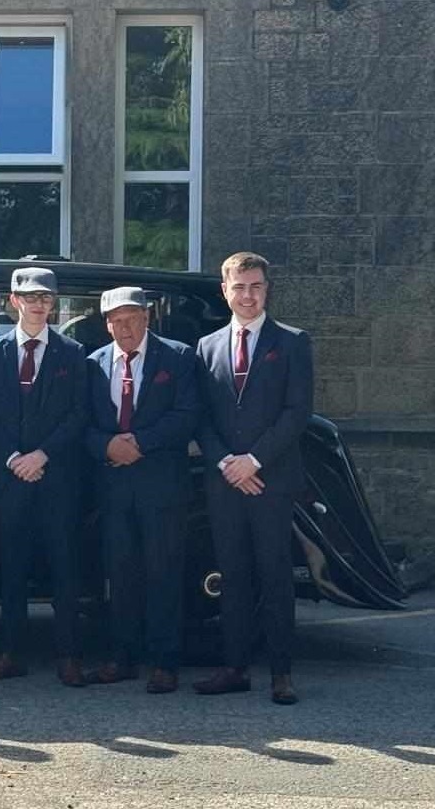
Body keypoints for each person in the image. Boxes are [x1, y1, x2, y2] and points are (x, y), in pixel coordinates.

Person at [194, 252, 313, 705]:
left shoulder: (293, 342)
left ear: (267, 289)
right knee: (233, 575)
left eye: (256, 286)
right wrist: (228, 462)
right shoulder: (206, 348)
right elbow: (202, 418)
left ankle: (281, 674)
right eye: (239, 287)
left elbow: (296, 412)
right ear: (225, 290)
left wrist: (254, 461)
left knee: (275, 574)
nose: (247, 295)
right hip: (226, 482)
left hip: (271, 480)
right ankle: (235, 667)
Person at [0, 268, 87, 687]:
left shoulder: (73, 353)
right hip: (10, 479)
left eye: (46, 299)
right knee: (12, 568)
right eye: (30, 297)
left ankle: (69, 655)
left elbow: (79, 414)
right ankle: (11, 652)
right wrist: (13, 458)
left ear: (53, 305)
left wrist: (42, 455)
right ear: (13, 301)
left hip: (57, 479)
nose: (38, 305)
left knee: (64, 568)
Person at [84, 287, 200, 693]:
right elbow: (83, 423)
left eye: (132, 318)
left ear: (147, 318)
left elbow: (187, 414)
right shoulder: (94, 364)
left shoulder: (179, 357)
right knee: (120, 574)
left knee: (164, 572)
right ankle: (121, 657)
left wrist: (140, 443)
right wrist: (106, 445)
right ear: (106, 324)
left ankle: (165, 661)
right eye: (116, 320)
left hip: (161, 485)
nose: (125, 327)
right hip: (114, 488)